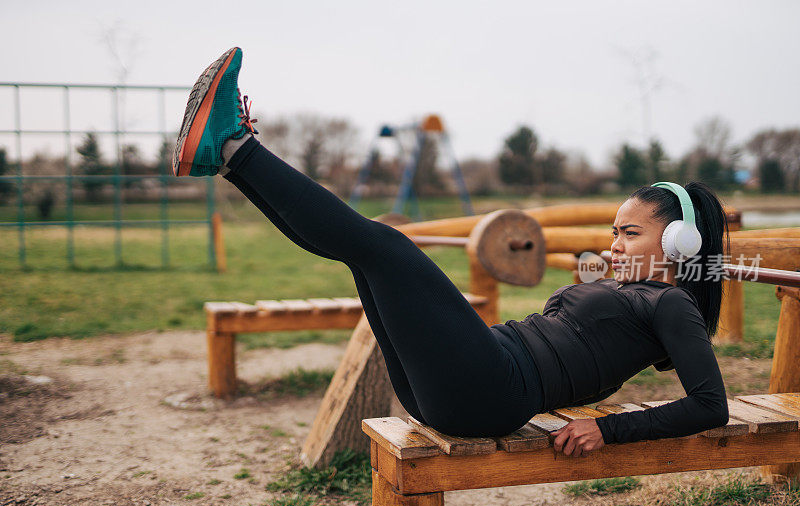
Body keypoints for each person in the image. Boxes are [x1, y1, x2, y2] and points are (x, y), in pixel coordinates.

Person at [173, 47, 729, 458]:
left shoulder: (670, 305)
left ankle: (234, 148)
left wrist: (607, 429)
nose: (614, 244)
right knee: (365, 256)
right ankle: (225, 160)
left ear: (681, 242)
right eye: (615, 230)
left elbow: (710, 405)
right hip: (469, 379)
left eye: (630, 233)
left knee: (385, 244)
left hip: (492, 387)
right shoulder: (631, 292)